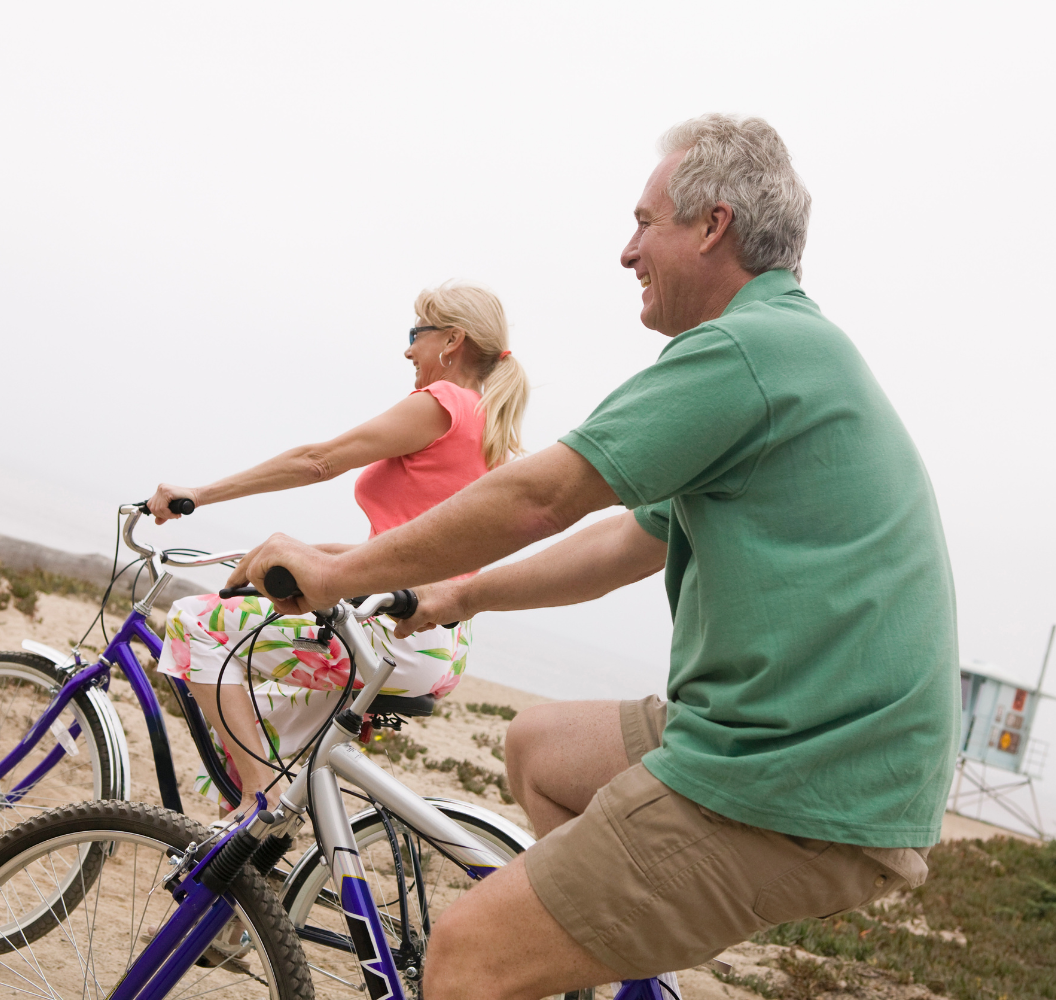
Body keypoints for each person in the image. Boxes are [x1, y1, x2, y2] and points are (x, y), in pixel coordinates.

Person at [232, 114, 961, 1000]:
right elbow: (629, 539)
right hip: (791, 740)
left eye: (644, 222)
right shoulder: (787, 350)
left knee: (467, 957)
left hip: (790, 766)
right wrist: (458, 595)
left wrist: (342, 574)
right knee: (542, 748)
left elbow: (544, 495)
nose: (627, 252)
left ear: (713, 226)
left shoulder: (745, 351)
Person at [146, 281, 527, 813]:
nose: (407, 349)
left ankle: (261, 799)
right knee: (249, 747)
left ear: (452, 341)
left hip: (388, 631)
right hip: (434, 639)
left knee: (194, 624)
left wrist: (201, 494)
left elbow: (318, 460)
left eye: (416, 333)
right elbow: (412, 549)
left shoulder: (442, 403)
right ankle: (250, 845)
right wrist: (312, 554)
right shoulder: (487, 423)